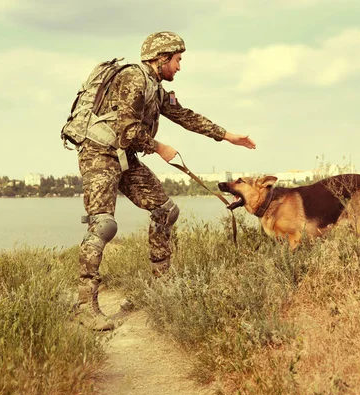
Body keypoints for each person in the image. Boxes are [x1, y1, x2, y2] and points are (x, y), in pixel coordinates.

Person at [75, 31, 256, 330]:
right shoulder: (134, 78)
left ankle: (162, 284)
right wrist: (160, 148)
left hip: (124, 157)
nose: (179, 67)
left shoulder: (156, 88)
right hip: (99, 154)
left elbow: (183, 115)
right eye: (177, 60)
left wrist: (227, 136)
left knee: (165, 210)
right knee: (103, 225)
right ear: (161, 59)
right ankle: (86, 305)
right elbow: (128, 130)